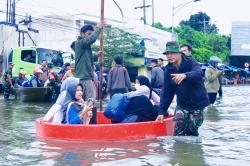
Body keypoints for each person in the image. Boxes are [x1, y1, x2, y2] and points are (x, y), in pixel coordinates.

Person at [156, 41, 209, 136]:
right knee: (178, 133)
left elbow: (198, 73)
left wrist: (185, 75)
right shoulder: (168, 70)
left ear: (179, 53)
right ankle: (180, 151)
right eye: (167, 54)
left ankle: (194, 150)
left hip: (197, 103)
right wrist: (161, 112)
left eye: (172, 53)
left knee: (192, 131)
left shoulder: (190, 61)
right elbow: (167, 92)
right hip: (182, 104)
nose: (169, 56)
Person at [71, 22, 105, 124]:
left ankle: (87, 122)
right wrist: (98, 28)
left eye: (91, 34)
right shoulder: (80, 43)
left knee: (86, 102)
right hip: (84, 77)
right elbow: (92, 39)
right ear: (82, 34)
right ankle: (93, 123)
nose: (90, 36)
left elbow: (86, 58)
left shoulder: (83, 46)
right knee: (91, 101)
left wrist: (95, 56)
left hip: (83, 77)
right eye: (88, 34)